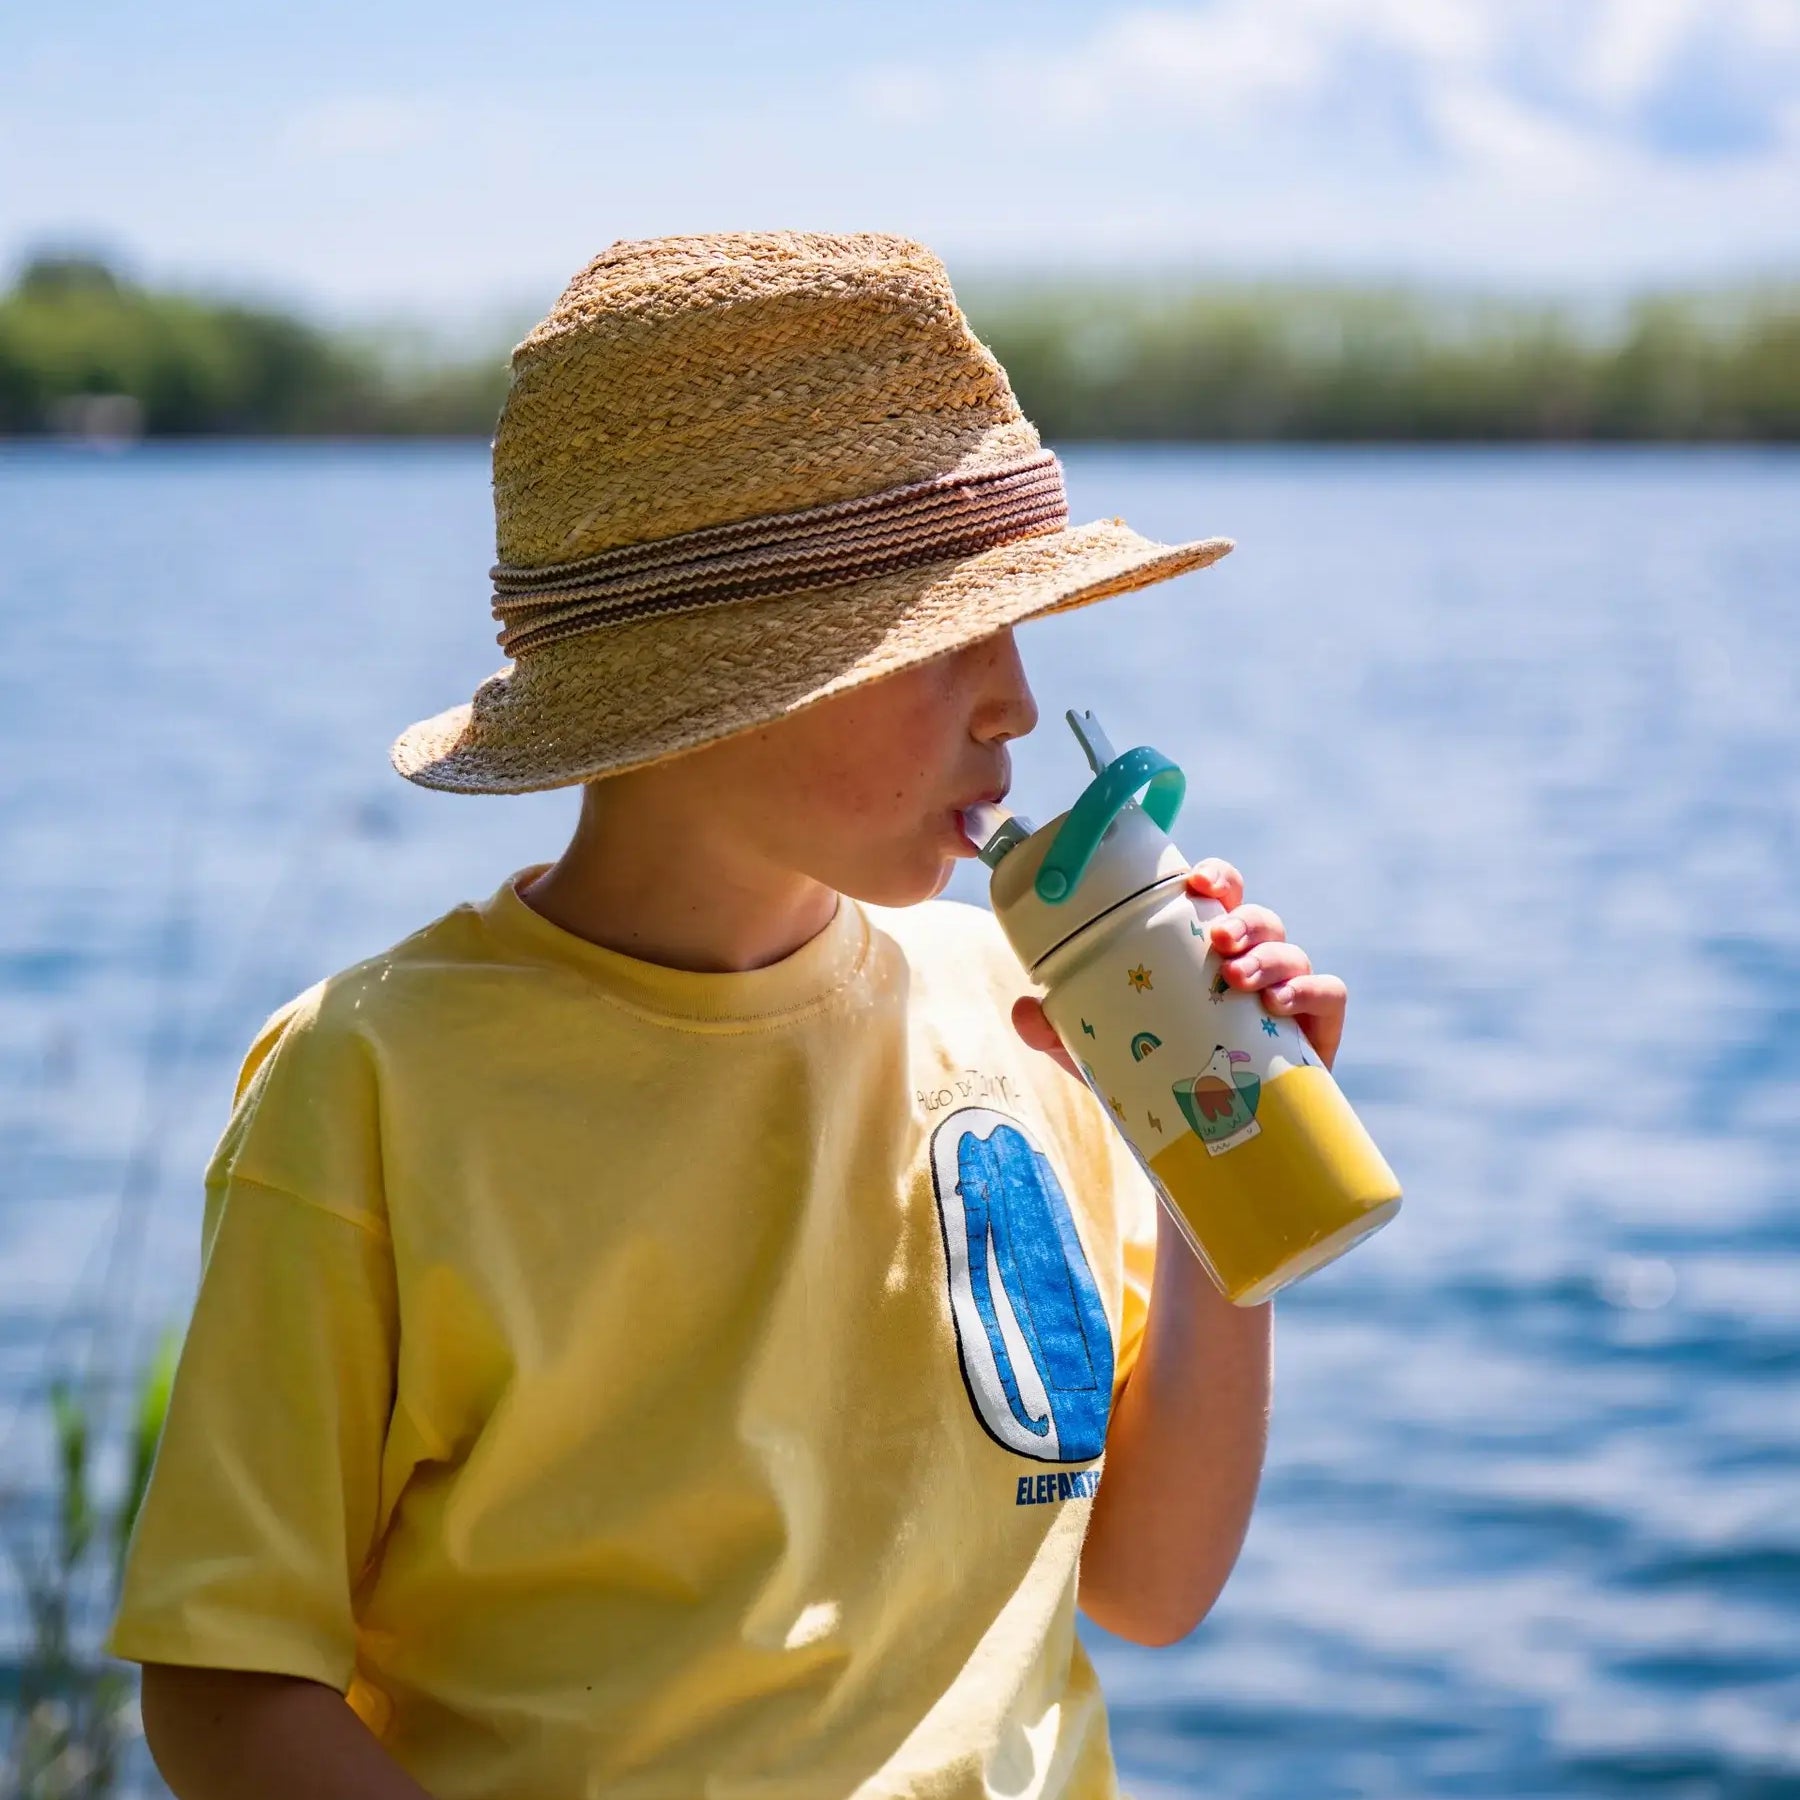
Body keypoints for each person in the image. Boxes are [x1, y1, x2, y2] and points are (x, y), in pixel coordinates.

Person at [105, 232, 1348, 1800]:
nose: (1018, 702)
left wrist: (1214, 1165)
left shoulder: (1030, 1016)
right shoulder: (374, 1084)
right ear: (715, 684)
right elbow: (226, 1690)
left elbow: (1151, 1587)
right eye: (947, 635)